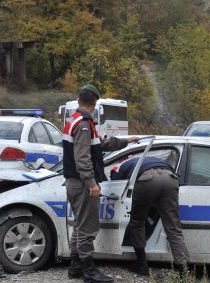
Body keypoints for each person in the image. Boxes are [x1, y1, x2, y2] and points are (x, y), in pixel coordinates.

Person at [63, 84, 138, 283]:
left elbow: (100, 144)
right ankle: (89, 272)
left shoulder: (74, 120)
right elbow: (82, 158)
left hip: (74, 183)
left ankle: (76, 266)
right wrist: (91, 183)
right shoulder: (85, 124)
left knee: (79, 226)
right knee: (88, 228)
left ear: (80, 100)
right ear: (94, 103)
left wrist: (125, 141)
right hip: (82, 183)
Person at [110, 156, 189, 276]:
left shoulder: (118, 168)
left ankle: (142, 265)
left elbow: (117, 188)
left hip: (147, 179)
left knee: (137, 221)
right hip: (170, 177)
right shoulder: (147, 158)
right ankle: (184, 270)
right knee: (173, 226)